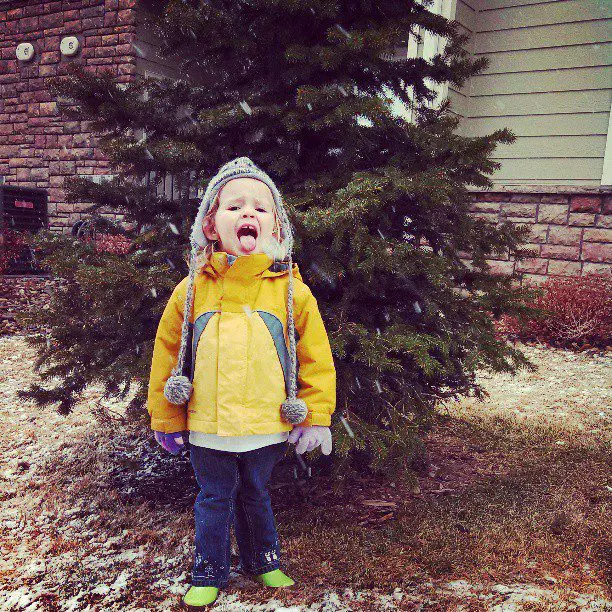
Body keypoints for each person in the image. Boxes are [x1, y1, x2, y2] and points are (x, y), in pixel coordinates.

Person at [147, 157, 336, 608]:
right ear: (212, 226)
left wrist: (316, 415)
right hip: (208, 425)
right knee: (214, 497)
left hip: (267, 423)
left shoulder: (292, 292)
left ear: (275, 229)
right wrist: (167, 417)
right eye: (234, 207)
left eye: (260, 208)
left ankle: (263, 557)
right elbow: (167, 357)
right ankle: (209, 568)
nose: (247, 214)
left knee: (255, 492)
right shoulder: (191, 290)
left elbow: (315, 358)